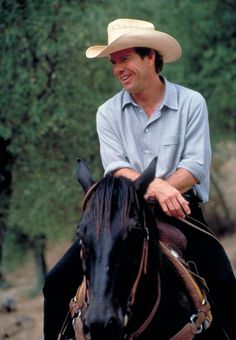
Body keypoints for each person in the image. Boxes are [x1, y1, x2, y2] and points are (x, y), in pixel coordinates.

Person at [43, 18, 236, 339]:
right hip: (121, 214)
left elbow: (195, 167)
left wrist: (162, 190)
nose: (118, 68)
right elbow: (116, 167)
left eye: (126, 58)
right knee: (55, 283)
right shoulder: (107, 112)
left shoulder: (191, 103)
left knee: (225, 286)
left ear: (151, 57)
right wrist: (155, 187)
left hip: (181, 211)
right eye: (114, 62)